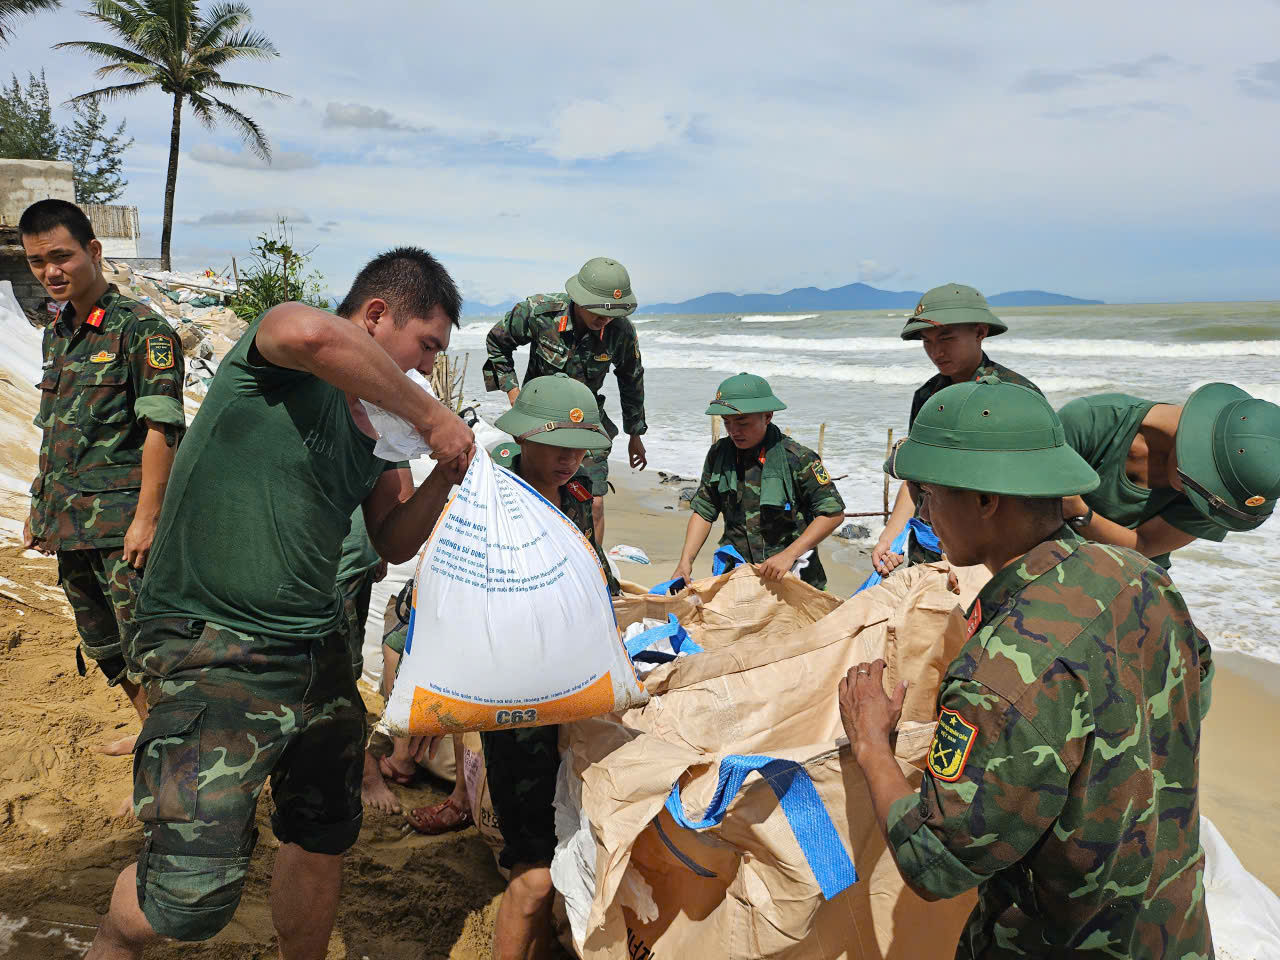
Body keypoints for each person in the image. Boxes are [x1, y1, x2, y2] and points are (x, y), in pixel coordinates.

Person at [84, 247, 475, 960]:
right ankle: (111, 942)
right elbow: (310, 333)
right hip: (216, 643)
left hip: (315, 646)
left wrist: (442, 477)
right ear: (377, 314)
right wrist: (431, 413)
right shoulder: (281, 357)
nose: (424, 369)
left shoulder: (385, 433)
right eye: (425, 346)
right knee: (187, 898)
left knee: (321, 833)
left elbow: (390, 541)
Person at [840, 378, 1213, 959]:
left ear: (988, 500)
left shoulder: (1001, 672)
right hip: (1174, 931)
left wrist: (871, 746)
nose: (925, 511)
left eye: (928, 492)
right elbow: (1195, 694)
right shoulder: (1141, 577)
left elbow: (936, 863)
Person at [18, 199, 186, 758]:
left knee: (150, 643)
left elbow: (163, 428)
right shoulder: (57, 331)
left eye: (61, 256)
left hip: (123, 529)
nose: (51, 271)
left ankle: (175, 762)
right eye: (38, 261)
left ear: (93, 251)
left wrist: (148, 517)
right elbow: (59, 431)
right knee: (104, 643)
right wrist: (40, 508)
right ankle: (150, 733)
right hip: (70, 522)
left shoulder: (142, 330)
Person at [479, 374, 618, 960]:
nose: (570, 460)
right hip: (518, 705)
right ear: (523, 437)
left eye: (580, 448)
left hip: (574, 692)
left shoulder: (580, 493)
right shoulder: (492, 496)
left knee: (562, 853)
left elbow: (595, 579)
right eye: (558, 445)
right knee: (534, 870)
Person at [872, 283, 1040, 576]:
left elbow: (1033, 486)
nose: (936, 351)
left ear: (979, 332)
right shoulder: (927, 396)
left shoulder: (1017, 395)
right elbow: (916, 477)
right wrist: (890, 537)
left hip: (996, 549)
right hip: (933, 541)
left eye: (946, 338)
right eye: (927, 341)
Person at [483, 256, 648, 547]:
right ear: (579, 298)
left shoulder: (620, 331)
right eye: (597, 310)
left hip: (586, 424)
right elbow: (497, 342)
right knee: (538, 492)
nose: (604, 319)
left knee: (593, 502)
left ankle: (594, 568)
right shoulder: (539, 312)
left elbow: (631, 378)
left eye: (611, 313)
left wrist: (635, 433)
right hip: (540, 424)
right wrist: (513, 392)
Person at [1058, 384, 1279, 570]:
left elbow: (1143, 546)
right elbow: (1029, 514)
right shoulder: (1091, 421)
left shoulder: (1229, 493)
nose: (1196, 498)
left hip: (1128, 580)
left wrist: (1078, 511)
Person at [673, 372, 845, 590]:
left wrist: (789, 555)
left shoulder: (797, 458)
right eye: (727, 423)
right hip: (737, 576)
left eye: (742, 423)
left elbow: (832, 514)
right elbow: (705, 510)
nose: (734, 431)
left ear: (768, 416)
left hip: (793, 579)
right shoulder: (719, 454)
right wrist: (685, 561)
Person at [334, 507, 395, 812]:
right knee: (336, 675)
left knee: (348, 669)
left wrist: (379, 544)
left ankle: (359, 763)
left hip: (360, 554)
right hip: (330, 559)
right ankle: (364, 771)